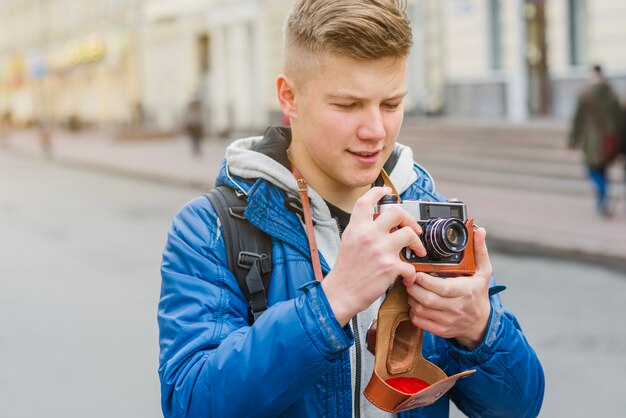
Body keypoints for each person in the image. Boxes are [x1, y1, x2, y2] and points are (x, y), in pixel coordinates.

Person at [158, 1, 545, 417]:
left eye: (391, 104)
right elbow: (192, 402)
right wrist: (331, 302)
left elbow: (518, 408)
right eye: (348, 106)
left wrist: (480, 331)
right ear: (290, 97)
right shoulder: (210, 228)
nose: (375, 131)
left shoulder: (425, 211)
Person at [569, 65, 623, 217]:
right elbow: (619, 119)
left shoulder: (586, 94)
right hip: (610, 139)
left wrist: (573, 141)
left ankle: (604, 195)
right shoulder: (612, 93)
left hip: (593, 141)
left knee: (591, 170)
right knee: (603, 170)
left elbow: (578, 120)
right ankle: (603, 201)